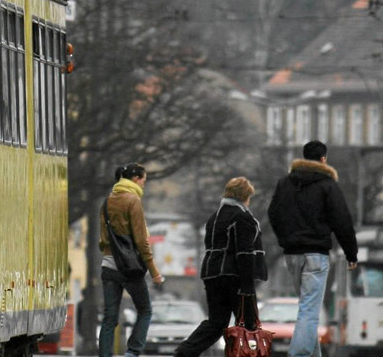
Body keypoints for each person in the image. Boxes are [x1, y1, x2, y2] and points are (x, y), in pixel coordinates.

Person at [267, 140, 359, 357]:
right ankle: (299, 354)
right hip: (316, 255)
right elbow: (342, 221)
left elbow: (273, 213)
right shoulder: (327, 185)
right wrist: (351, 254)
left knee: (306, 307)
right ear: (323, 159)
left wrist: (286, 239)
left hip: (292, 255)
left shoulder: (284, 183)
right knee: (309, 309)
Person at [175, 177, 268, 357]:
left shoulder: (214, 218)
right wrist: (248, 285)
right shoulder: (242, 217)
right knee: (249, 324)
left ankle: (185, 351)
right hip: (235, 277)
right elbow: (244, 252)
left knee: (216, 323)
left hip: (211, 274)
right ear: (245, 196)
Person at [99, 163, 165, 357]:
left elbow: (102, 241)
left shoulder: (107, 201)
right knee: (145, 311)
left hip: (108, 266)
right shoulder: (133, 200)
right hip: (129, 268)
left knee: (109, 318)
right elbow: (141, 240)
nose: (144, 185)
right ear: (135, 179)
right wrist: (155, 272)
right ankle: (132, 352)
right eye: (144, 180)